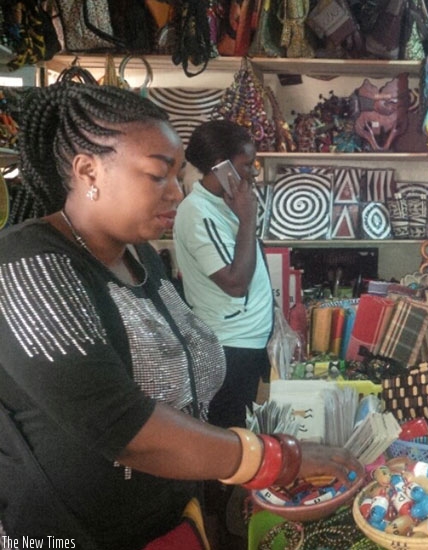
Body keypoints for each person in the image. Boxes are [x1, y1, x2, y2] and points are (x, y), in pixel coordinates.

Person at [0, 83, 352, 549]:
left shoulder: (139, 256)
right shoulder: (26, 267)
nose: (176, 193)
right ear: (88, 170)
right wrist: (276, 459)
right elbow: (125, 428)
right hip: (77, 534)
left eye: (177, 176)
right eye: (158, 176)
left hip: (166, 518)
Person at [173, 119, 273, 432]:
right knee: (229, 441)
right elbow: (235, 283)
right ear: (221, 167)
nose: (253, 173)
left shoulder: (228, 202)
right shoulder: (197, 212)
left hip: (248, 342)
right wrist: (247, 220)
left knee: (243, 433)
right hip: (230, 347)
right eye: (246, 165)